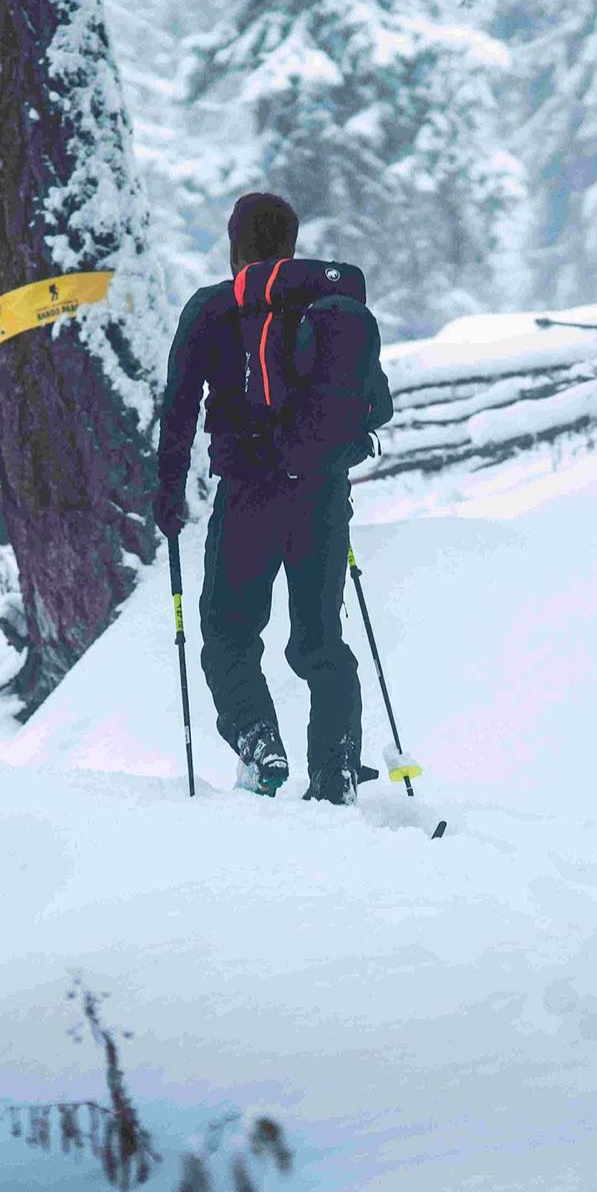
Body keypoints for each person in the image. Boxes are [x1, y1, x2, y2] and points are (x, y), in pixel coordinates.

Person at [155, 193, 393, 802]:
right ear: (291, 242)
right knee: (321, 644)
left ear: (235, 242)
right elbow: (380, 404)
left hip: (248, 499)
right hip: (322, 497)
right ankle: (337, 770)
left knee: (230, 633)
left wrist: (169, 489)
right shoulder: (333, 307)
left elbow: (178, 407)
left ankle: (261, 747)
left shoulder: (212, 308)